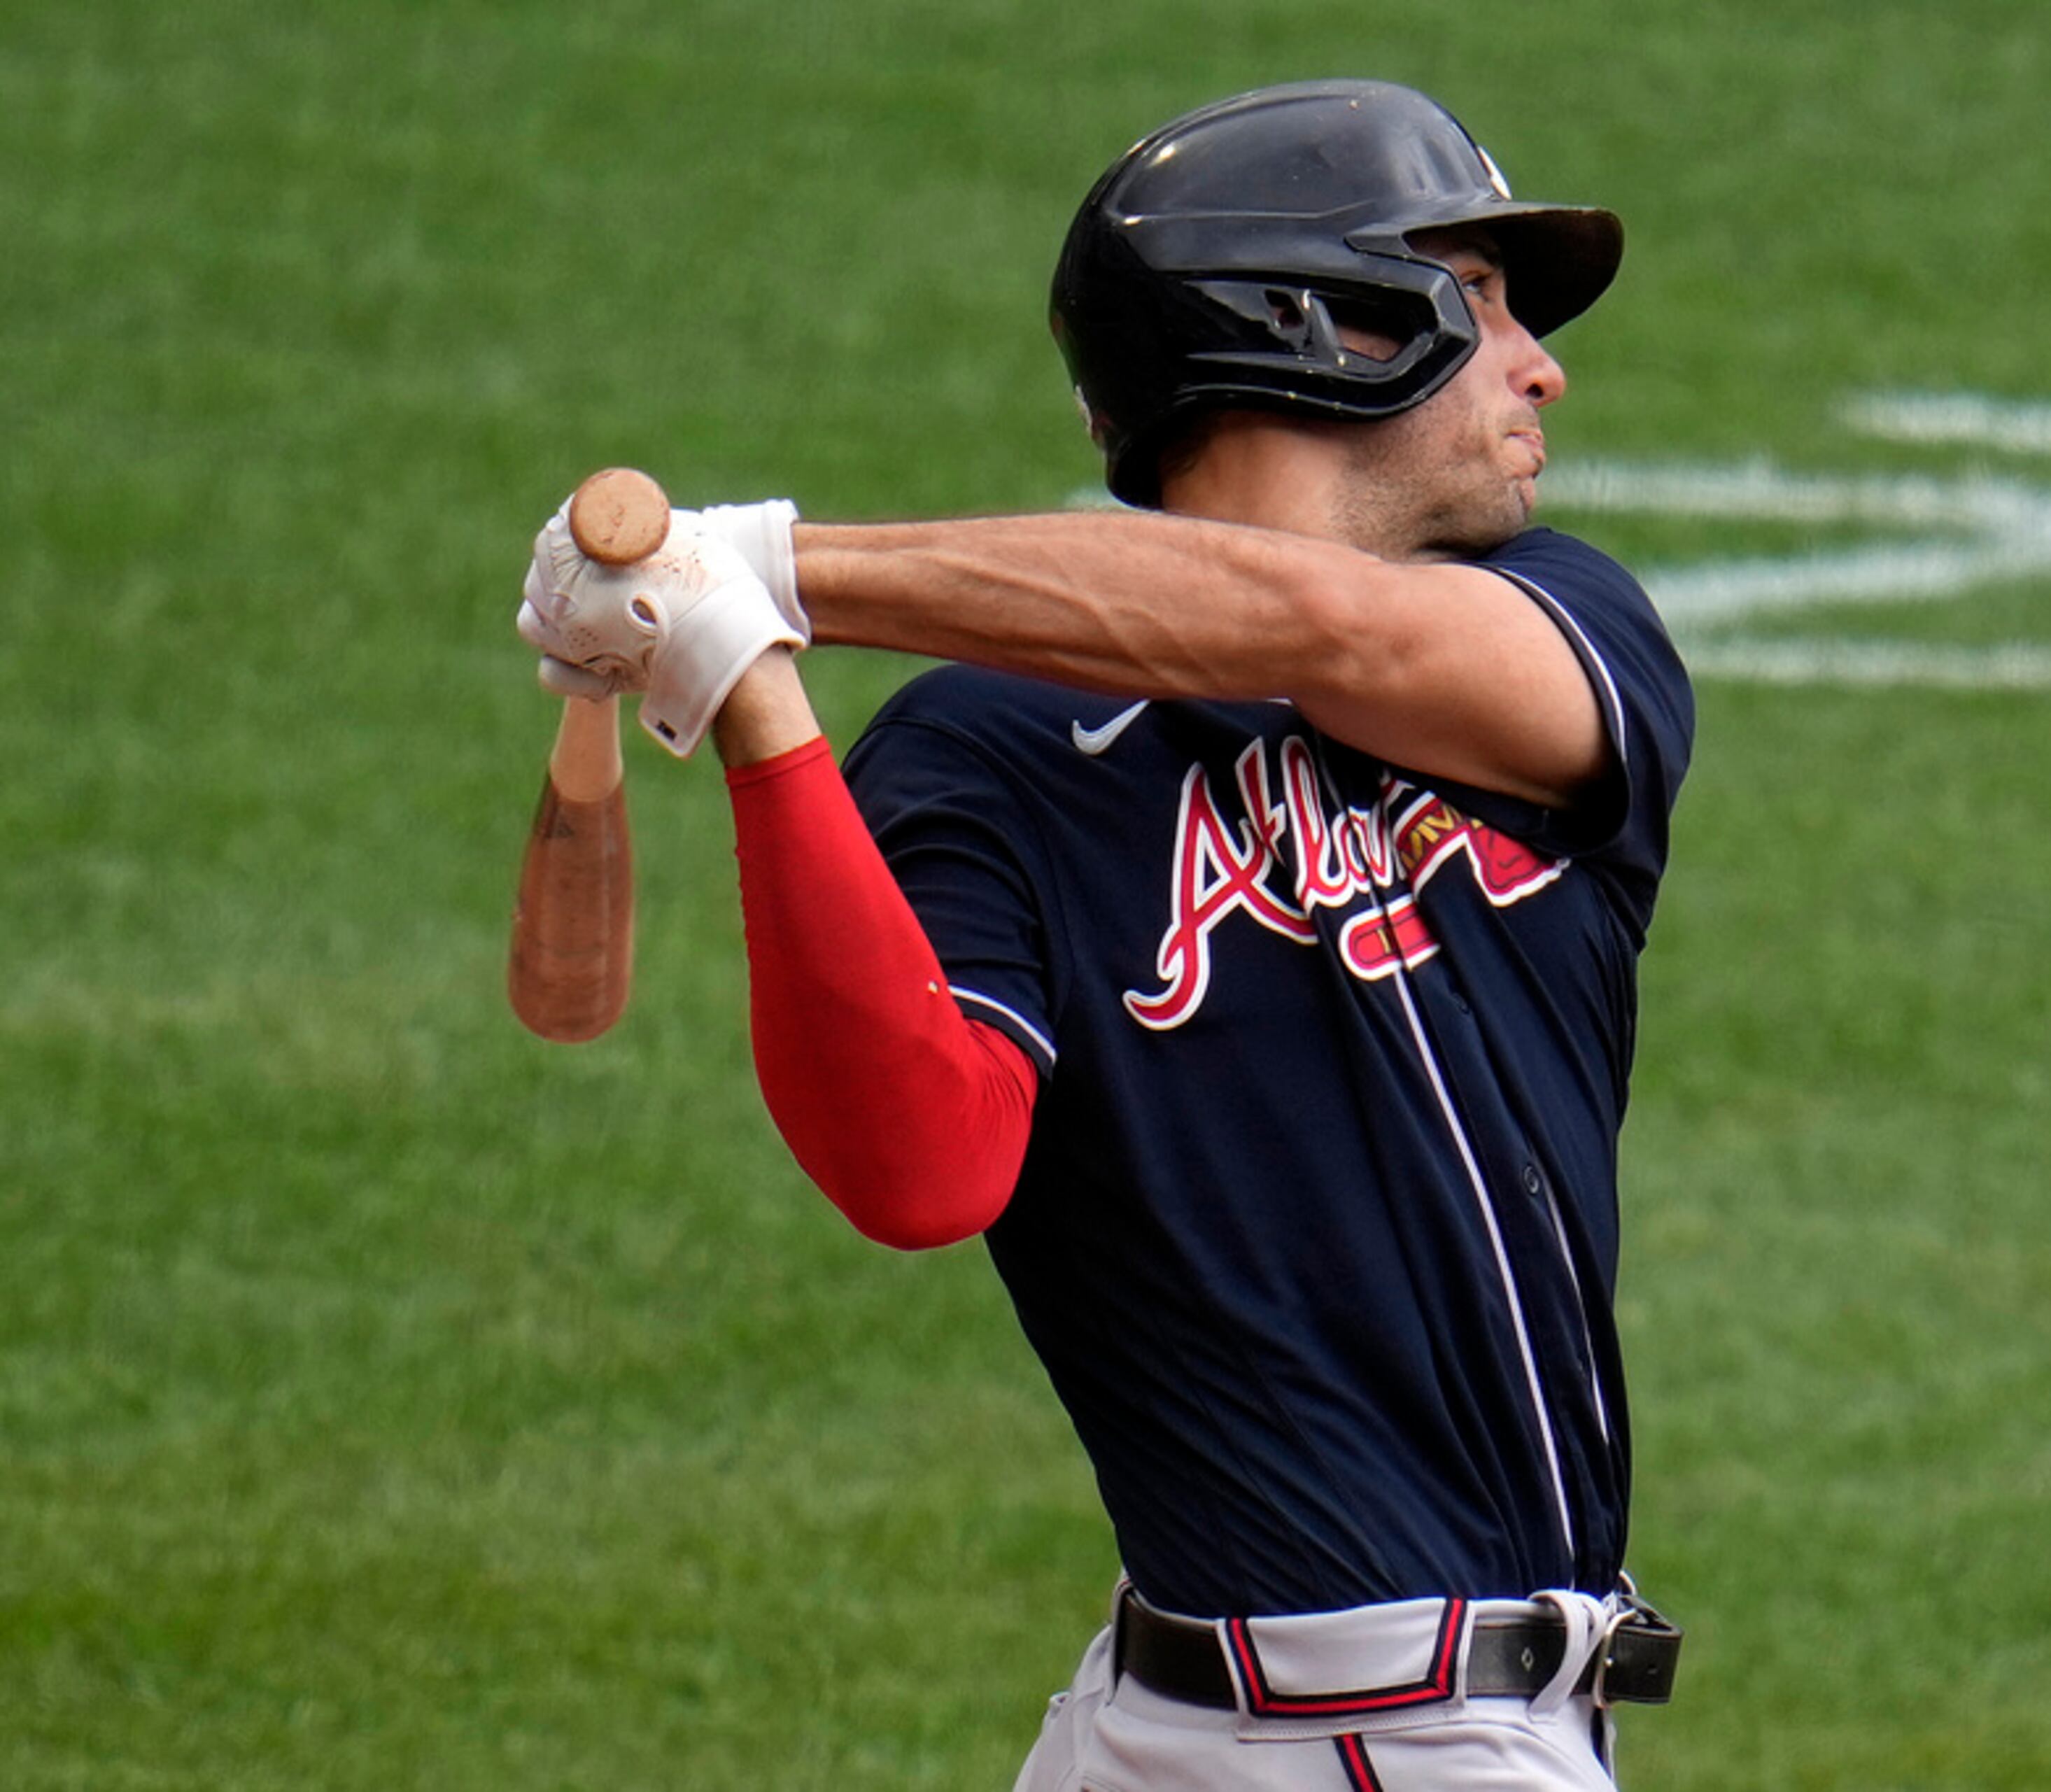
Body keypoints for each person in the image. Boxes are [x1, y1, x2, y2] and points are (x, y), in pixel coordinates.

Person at [518, 79, 1693, 1790]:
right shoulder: (985, 755)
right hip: (1249, 1739)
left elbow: (1302, 623)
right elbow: (922, 1167)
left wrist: (770, 567)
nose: (1542, 366)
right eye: (1485, 301)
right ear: (1333, 328)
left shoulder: (1567, 639)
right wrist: (753, 703)